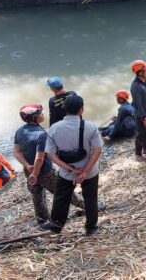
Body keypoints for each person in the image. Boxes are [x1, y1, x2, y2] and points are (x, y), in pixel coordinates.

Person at [40, 95, 103, 235]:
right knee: (91, 197)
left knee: (61, 197)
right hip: (90, 170)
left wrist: (70, 169)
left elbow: (51, 155)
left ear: (64, 109)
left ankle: (56, 226)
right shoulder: (90, 126)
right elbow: (97, 150)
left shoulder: (54, 128)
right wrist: (85, 172)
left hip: (66, 172)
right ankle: (91, 228)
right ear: (81, 109)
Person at [13, 104, 84, 227]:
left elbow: (17, 151)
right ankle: (89, 206)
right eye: (40, 113)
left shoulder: (20, 131)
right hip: (44, 172)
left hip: (28, 171)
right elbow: (39, 157)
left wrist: (28, 167)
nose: (42, 114)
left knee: (37, 195)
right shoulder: (42, 134)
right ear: (34, 117)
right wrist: (35, 173)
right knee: (64, 192)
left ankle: (42, 221)